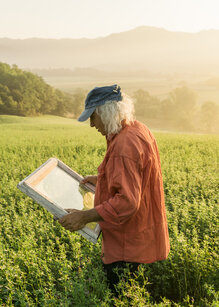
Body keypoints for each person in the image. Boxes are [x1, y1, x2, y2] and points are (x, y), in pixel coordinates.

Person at [59, 84, 170, 296]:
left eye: (93, 117)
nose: (91, 124)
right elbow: (137, 178)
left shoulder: (124, 146)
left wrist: (84, 216)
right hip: (138, 237)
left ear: (106, 113)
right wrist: (103, 178)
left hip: (126, 245)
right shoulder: (137, 129)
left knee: (122, 304)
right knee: (132, 300)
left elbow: (127, 201)